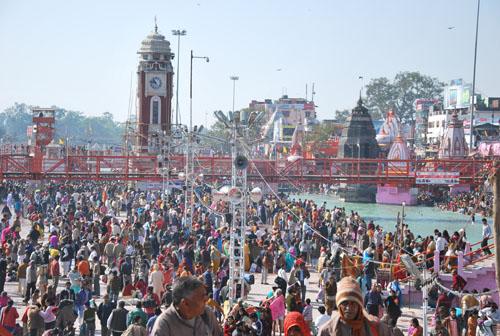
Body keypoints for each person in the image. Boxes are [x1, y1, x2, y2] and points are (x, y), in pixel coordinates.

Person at [319, 276, 392, 336]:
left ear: (359, 305)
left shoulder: (377, 328)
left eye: (353, 303)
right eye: (345, 303)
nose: (348, 308)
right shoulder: (327, 331)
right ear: (339, 305)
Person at [150, 276, 223, 336]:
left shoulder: (207, 313)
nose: (206, 299)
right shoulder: (164, 324)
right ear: (185, 304)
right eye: (202, 296)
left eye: (206, 295)